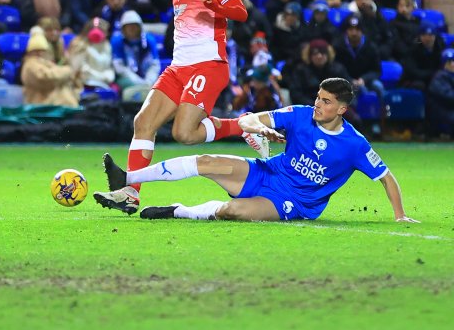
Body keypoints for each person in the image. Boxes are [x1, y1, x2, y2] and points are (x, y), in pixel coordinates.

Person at [93, 0, 261, 216]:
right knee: (143, 122)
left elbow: (241, 12)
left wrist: (215, 6)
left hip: (207, 64)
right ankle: (131, 193)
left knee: (184, 133)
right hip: (178, 66)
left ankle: (244, 124)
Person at [97, 78, 418, 223]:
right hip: (268, 171)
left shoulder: (355, 145)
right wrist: (259, 127)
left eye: (326, 101)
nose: (318, 104)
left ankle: (178, 210)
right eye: (318, 97)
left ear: (342, 109)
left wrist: (400, 216)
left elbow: (386, 178)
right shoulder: (300, 114)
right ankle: (128, 177)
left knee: (232, 212)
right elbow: (250, 118)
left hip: (292, 201)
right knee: (207, 161)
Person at [20, 32, 79, 107]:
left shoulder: (43, 62)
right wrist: (67, 71)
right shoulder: (31, 64)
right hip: (43, 107)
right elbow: (45, 77)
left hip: (54, 107)